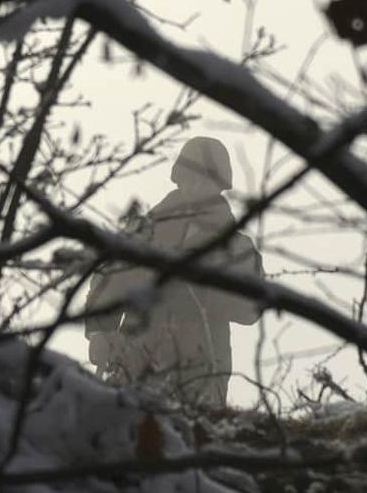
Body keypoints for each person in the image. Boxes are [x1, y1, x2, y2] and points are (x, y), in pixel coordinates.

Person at [84, 137, 264, 406]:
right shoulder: (144, 234)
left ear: (220, 186)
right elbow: (109, 280)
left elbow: (251, 307)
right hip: (136, 356)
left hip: (201, 365)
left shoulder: (236, 246)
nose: (197, 185)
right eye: (192, 176)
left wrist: (201, 294)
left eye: (207, 178)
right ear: (179, 177)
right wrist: (100, 332)